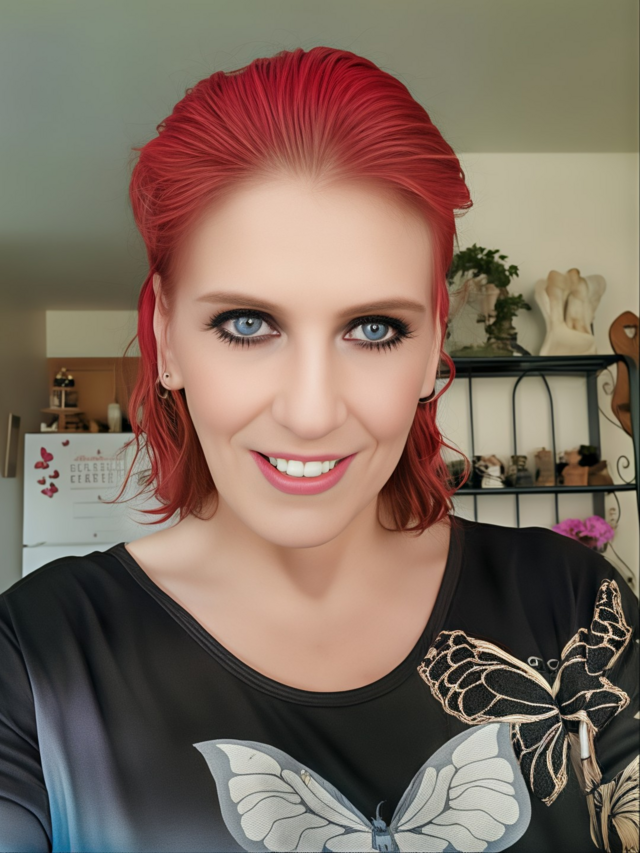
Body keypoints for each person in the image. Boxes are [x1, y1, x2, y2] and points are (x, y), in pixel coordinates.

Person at [1, 46, 638, 853]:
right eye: (246, 324)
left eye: (374, 328)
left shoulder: (573, 604)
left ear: (432, 346)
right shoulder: (36, 658)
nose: (309, 413)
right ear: (167, 336)